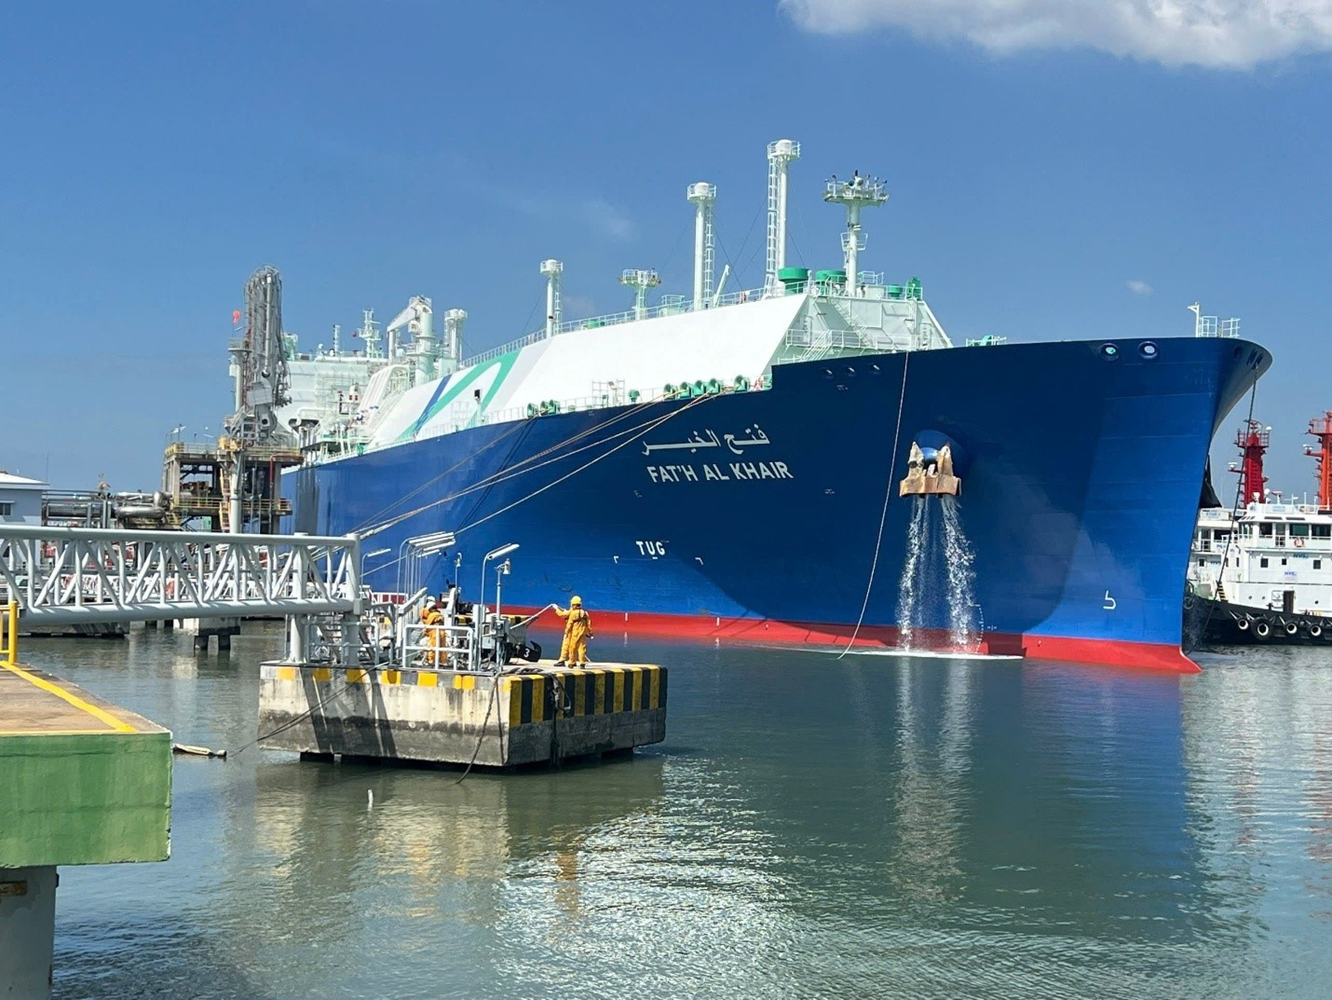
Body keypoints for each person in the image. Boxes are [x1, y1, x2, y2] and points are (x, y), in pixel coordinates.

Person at [553, 595, 593, 666]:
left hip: (572, 633)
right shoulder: (585, 613)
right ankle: (582, 662)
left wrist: (556, 609)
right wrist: (590, 633)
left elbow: (565, 617)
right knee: (582, 647)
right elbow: (588, 624)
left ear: (573, 604)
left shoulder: (572, 612)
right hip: (582, 633)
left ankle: (567, 661)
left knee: (569, 647)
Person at [420, 597, 445, 666]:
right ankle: (443, 661)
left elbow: (427, 625)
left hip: (434, 633)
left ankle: (431, 661)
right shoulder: (440, 614)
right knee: (442, 648)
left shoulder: (432, 615)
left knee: (432, 647)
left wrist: (425, 632)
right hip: (442, 632)